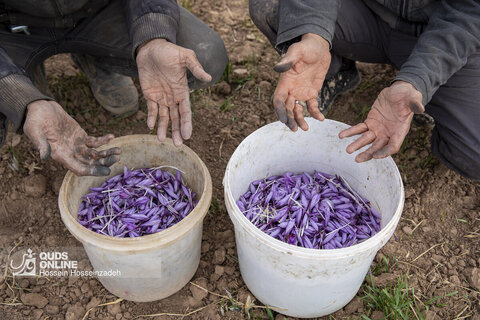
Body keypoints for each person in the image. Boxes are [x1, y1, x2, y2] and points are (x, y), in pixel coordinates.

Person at [249, 0, 480, 181]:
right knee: (272, 5)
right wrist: (313, 35)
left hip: (443, 35)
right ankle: (334, 71)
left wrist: (420, 78)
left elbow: (470, 13)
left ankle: (426, 93)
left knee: (472, 154)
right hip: (364, 13)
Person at [0, 0, 228, 176]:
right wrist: (21, 97)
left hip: (99, 11)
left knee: (206, 56)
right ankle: (25, 77)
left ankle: (94, 56)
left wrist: (153, 37)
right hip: (10, 27)